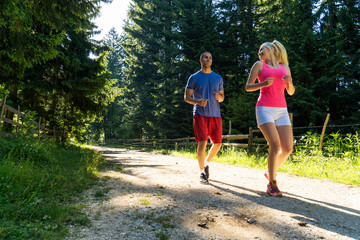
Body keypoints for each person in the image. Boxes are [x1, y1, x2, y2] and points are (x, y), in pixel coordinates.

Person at [245, 40, 295, 196]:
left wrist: (290, 82)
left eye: (262, 49)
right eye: (258, 50)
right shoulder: (259, 66)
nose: (259, 52)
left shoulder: (284, 68)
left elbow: (291, 92)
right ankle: (272, 184)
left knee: (287, 148)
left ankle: (270, 171)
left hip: (282, 110)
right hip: (264, 108)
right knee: (274, 144)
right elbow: (248, 86)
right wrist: (263, 84)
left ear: (272, 49)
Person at [184, 51, 225, 184]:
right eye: (205, 57)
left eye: (210, 58)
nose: (208, 59)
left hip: (215, 114)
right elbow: (186, 97)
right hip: (200, 113)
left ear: (211, 61)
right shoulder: (194, 77)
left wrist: (220, 97)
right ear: (200, 60)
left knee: (218, 144)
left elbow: (222, 97)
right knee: (202, 142)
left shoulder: (218, 78)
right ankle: (201, 172)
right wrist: (198, 102)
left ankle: (206, 163)